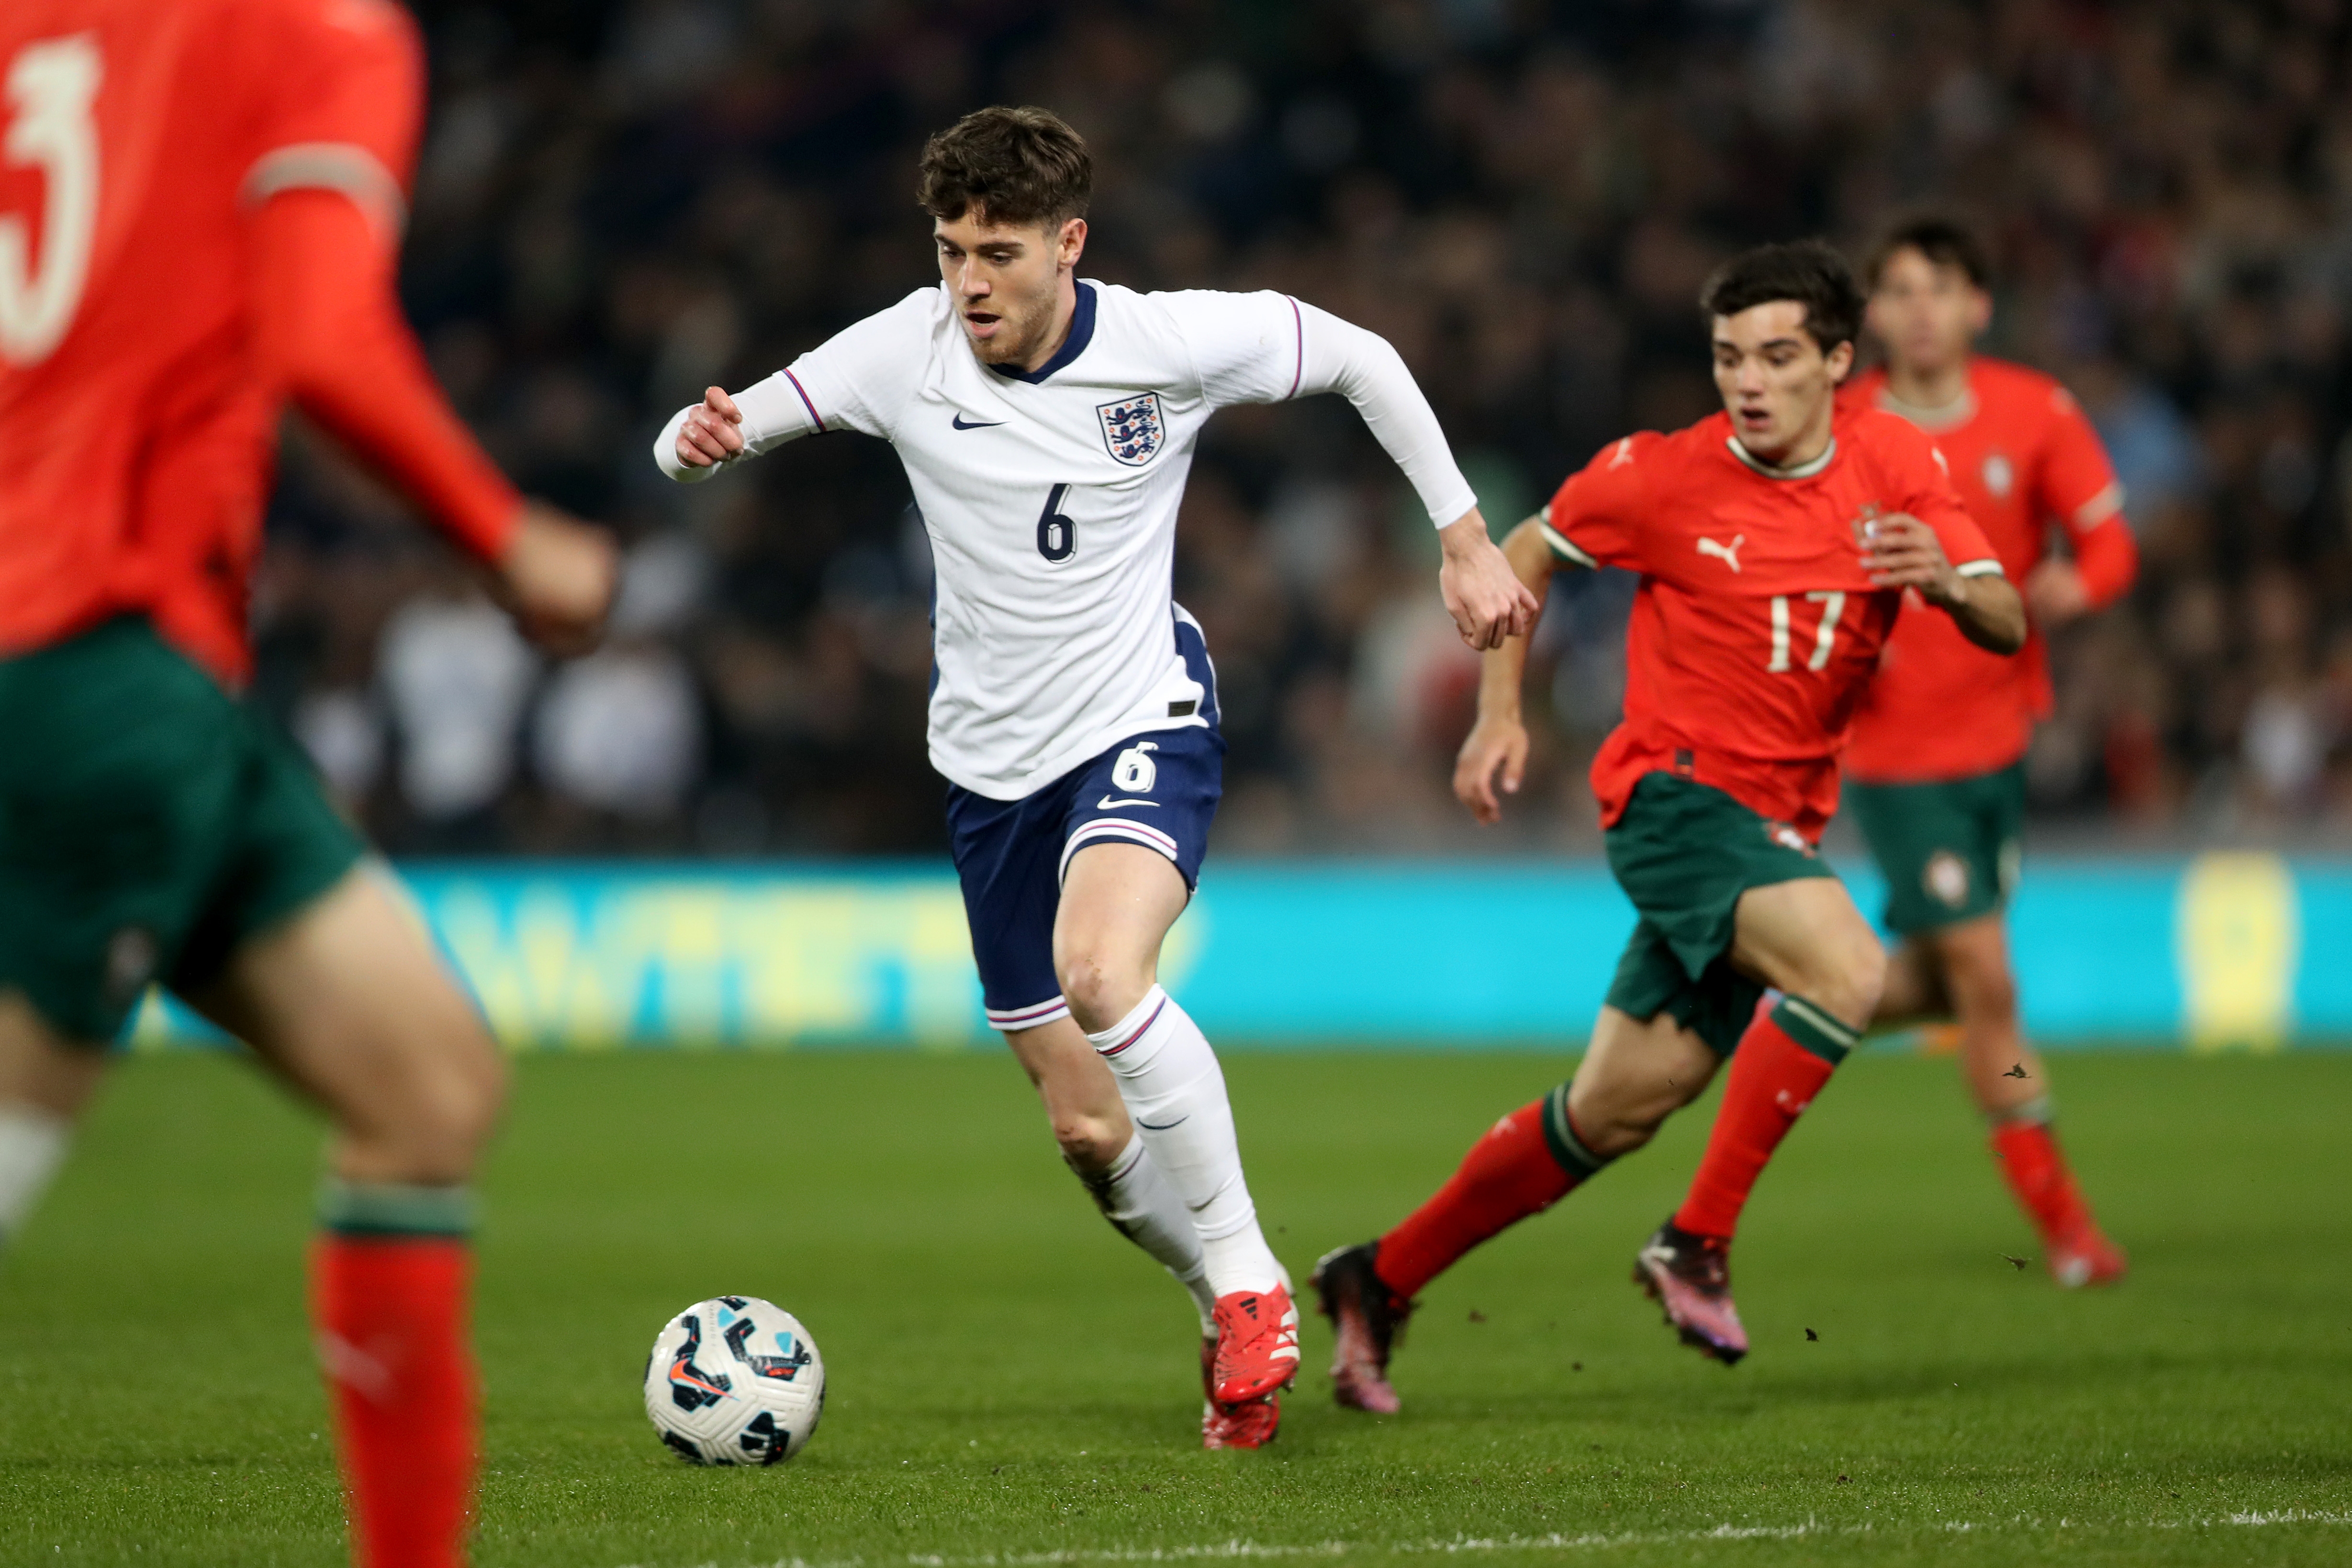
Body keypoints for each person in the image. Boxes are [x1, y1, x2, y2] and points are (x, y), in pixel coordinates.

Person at [657, 105, 1535, 1448]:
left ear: (1070, 243)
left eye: (998, 251)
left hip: (1140, 713)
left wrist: (1465, 540)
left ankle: (1249, 1277)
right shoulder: (907, 347)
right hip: (986, 770)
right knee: (1081, 1125)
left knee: (1104, 972)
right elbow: (722, 428)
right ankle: (1218, 1302)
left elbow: (1357, 356)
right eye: (950, 249)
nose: (969, 281)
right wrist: (695, 438)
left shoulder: (1164, 345)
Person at [0, 3, 618, 1565]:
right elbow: (322, 340)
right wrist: (504, 533)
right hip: (90, 655)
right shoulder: (316, 31)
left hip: (129, 673)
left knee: (425, 1085)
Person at [1312, 241, 2025, 1413]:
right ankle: (1697, 1242)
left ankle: (1377, 1279)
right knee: (1848, 967)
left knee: (1613, 1109)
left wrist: (1947, 583)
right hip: (1673, 799)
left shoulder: (1894, 458)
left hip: (1776, 835)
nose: (1747, 380)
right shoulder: (1662, 475)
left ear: (1840, 364)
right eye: (1728, 356)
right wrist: (1501, 715)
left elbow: (2003, 613)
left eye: (1779, 356)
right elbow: (1524, 550)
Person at [1842, 215, 2137, 1287]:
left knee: (1938, 982)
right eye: (1899, 290)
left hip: (1997, 742)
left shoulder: (2036, 413)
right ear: (1871, 314)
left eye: (1940, 288)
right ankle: (2067, 1229)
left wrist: (2074, 585)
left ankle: (1783, 1005)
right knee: (1989, 979)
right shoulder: (1844, 424)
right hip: (1889, 754)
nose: (1919, 309)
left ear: (1979, 306)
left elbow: (2110, 543)